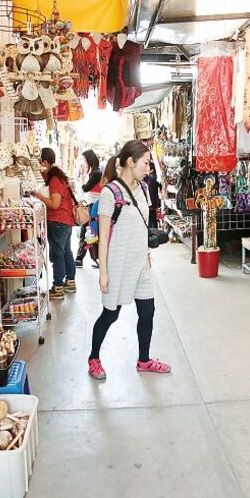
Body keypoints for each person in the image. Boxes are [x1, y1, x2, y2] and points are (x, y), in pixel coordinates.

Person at [88, 140, 170, 380]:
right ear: (130, 162)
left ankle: (144, 360)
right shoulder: (109, 193)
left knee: (148, 312)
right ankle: (94, 358)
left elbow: (142, 227)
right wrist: (103, 272)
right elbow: (103, 238)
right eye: (146, 163)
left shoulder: (144, 189)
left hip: (141, 264)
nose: (149, 168)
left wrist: (146, 252)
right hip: (117, 265)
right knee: (110, 314)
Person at [31, 148, 77, 299]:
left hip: (58, 221)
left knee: (58, 254)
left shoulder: (55, 180)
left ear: (44, 162)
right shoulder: (57, 176)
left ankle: (58, 287)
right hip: (65, 221)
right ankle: (70, 282)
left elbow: (55, 204)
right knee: (65, 252)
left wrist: (37, 195)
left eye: (38, 163)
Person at [75, 149, 102, 268]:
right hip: (91, 204)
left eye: (85, 160)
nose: (84, 162)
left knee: (87, 231)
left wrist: (81, 181)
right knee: (89, 231)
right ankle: (91, 258)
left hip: (93, 206)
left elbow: (86, 188)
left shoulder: (96, 173)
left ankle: (81, 258)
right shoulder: (94, 172)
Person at [144, 160, 161, 227]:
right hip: (154, 202)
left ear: (151, 170)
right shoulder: (156, 178)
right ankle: (154, 233)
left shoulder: (148, 178)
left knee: (150, 220)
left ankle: (151, 233)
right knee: (153, 220)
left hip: (148, 202)